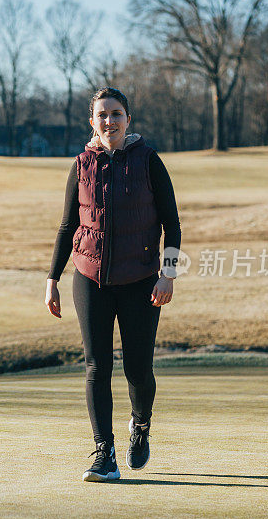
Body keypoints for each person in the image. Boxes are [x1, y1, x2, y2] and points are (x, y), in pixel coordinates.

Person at [45, 87, 181, 482]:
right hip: (90, 280)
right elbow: (67, 225)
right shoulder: (81, 165)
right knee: (95, 367)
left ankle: (140, 426)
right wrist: (52, 278)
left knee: (138, 370)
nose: (110, 121)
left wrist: (167, 274)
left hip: (141, 282)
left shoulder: (149, 160)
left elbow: (171, 223)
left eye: (116, 114)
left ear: (128, 119)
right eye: (102, 115)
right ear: (92, 122)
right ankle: (104, 453)